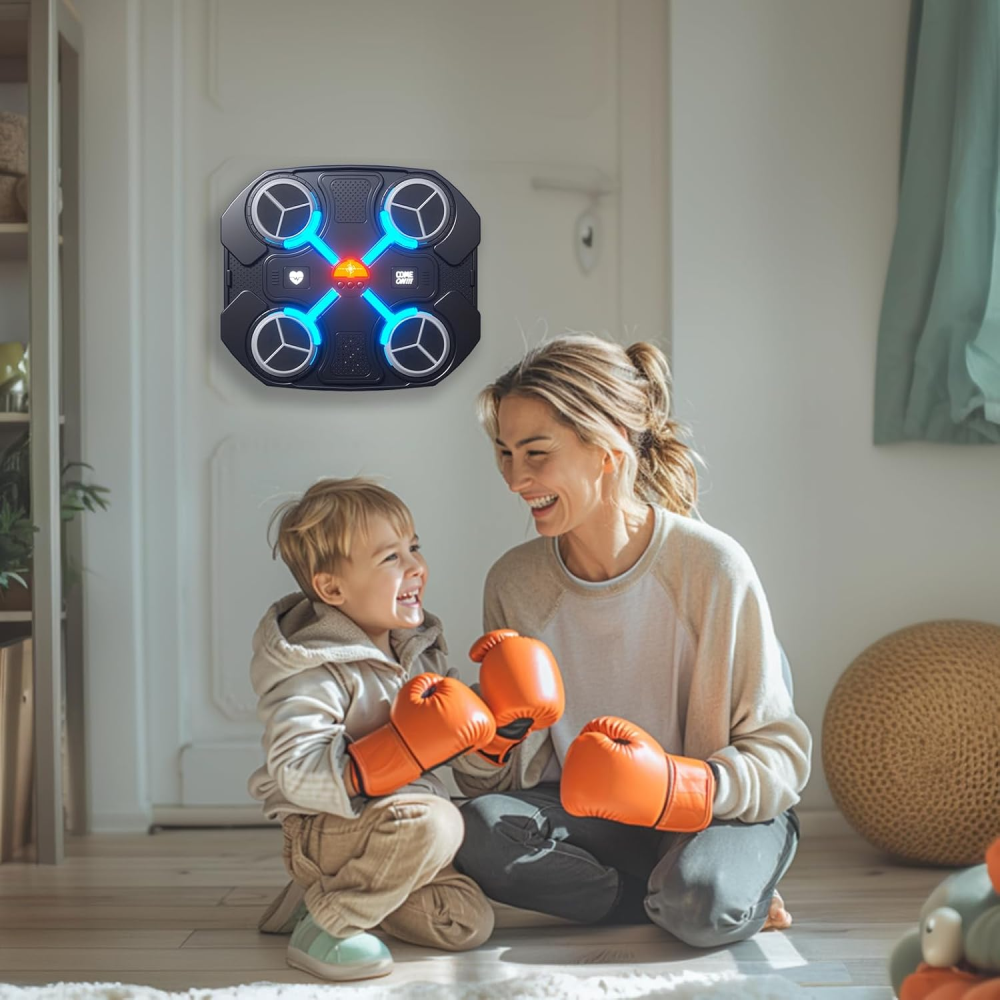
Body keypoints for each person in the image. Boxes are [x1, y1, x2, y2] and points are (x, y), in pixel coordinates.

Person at [451, 333, 813, 947]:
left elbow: (781, 757)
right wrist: (494, 739)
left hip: (714, 814)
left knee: (702, 906)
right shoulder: (513, 583)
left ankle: (699, 887)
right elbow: (494, 791)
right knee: (475, 831)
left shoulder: (713, 568)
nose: (516, 479)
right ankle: (666, 894)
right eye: (505, 453)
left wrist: (679, 787)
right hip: (591, 824)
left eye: (536, 453)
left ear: (608, 447)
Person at [247, 477, 496, 981]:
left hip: (400, 826)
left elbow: (464, 760)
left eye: (414, 547)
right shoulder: (313, 665)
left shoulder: (419, 649)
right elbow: (294, 768)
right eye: (390, 558)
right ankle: (328, 927)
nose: (415, 567)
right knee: (438, 824)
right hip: (327, 828)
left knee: (465, 922)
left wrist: (499, 733)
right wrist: (388, 757)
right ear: (332, 588)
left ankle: (324, 897)